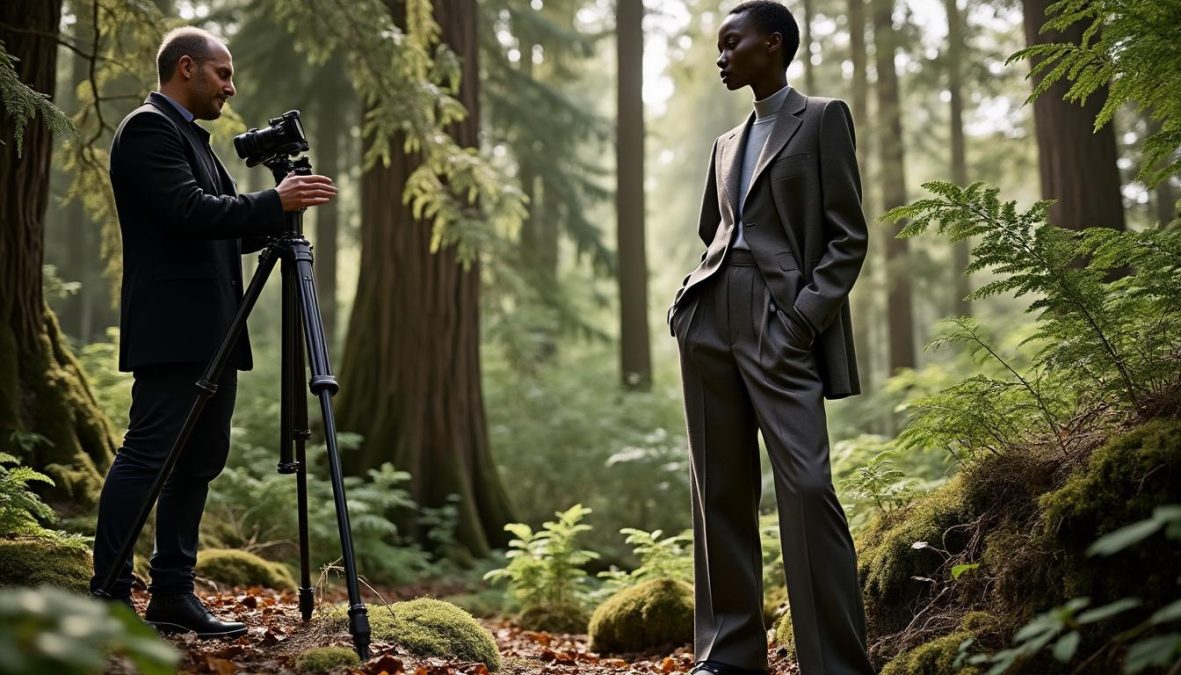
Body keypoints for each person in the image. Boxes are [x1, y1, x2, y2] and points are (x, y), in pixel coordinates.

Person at [90, 26, 336, 638]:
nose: (231, 86)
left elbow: (222, 231)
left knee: (198, 461)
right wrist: (270, 203)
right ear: (185, 68)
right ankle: (108, 593)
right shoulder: (149, 129)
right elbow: (187, 213)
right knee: (149, 456)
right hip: (174, 328)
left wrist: (279, 212)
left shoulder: (192, 140)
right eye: (222, 73)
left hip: (214, 331)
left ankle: (173, 592)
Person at [666, 2, 874, 673]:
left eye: (732, 43)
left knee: (807, 486)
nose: (721, 56)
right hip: (708, 316)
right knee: (718, 489)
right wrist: (686, 305)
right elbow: (714, 231)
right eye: (717, 47)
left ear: (773, 44)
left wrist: (801, 318)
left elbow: (847, 235)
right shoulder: (724, 144)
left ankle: (834, 662)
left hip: (778, 320)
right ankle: (727, 655)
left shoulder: (820, 118)